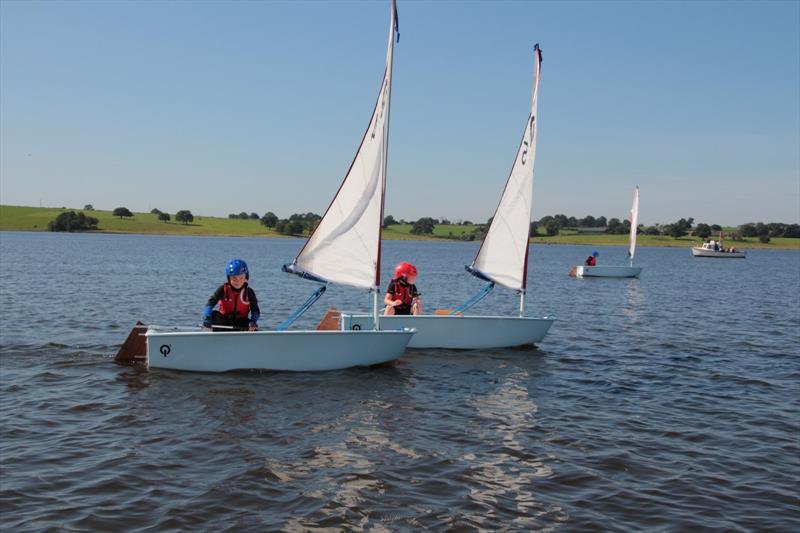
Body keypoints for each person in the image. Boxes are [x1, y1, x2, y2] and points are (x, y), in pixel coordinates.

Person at [203, 258, 260, 331]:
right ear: (229, 278)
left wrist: (253, 321)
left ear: (246, 277)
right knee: (214, 315)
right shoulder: (222, 289)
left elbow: (255, 311)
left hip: (241, 322)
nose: (238, 281)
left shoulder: (249, 292)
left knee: (252, 326)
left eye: (241, 278)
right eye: (234, 278)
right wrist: (207, 318)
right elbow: (209, 304)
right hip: (223, 322)